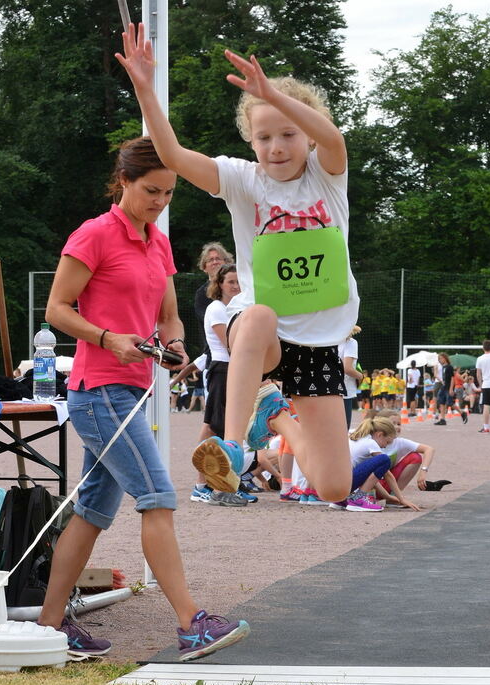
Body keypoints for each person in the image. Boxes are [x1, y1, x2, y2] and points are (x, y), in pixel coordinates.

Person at [117, 24, 357, 504]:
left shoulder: (327, 175)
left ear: (308, 135)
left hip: (319, 337)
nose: (276, 147)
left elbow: (332, 137)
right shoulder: (242, 180)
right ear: (250, 141)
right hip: (263, 334)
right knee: (260, 313)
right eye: (263, 137)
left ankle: (276, 413)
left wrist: (272, 95)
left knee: (334, 487)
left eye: (288, 134)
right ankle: (231, 445)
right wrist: (145, 90)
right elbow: (172, 155)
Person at [37, 136, 250, 661]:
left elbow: (169, 315)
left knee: (91, 512)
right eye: (152, 190)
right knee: (157, 495)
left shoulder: (159, 243)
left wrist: (175, 345)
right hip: (99, 391)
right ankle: (191, 624)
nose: (160, 201)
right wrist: (108, 338)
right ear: (123, 182)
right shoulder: (94, 234)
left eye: (169, 193)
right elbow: (56, 310)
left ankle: (49, 626)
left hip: (130, 392)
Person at [191, 264, 257, 506]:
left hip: (233, 369)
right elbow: (231, 344)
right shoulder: (217, 309)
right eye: (231, 281)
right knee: (216, 427)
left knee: (222, 427)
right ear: (219, 284)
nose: (236, 286)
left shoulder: (236, 308)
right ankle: (203, 485)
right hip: (223, 369)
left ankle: (225, 483)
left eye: (239, 282)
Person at [331, 417, 421, 512]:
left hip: (333, 485)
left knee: (371, 465)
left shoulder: (355, 434)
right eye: (387, 442)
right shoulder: (371, 443)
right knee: (384, 459)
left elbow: (372, 479)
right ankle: (358, 499)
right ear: (379, 434)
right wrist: (401, 499)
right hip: (344, 484)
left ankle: (341, 500)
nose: (385, 446)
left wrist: (388, 497)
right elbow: (387, 475)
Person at [339, 325, 363, 429]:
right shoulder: (350, 342)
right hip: (344, 389)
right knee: (343, 428)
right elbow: (347, 368)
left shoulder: (329, 341)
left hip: (327, 389)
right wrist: (360, 376)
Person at [434, 353, 454, 426]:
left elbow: (452, 378)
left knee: (450, 403)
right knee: (441, 401)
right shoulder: (443, 367)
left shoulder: (449, 367)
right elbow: (442, 377)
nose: (440, 360)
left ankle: (462, 413)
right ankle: (442, 419)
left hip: (448, 387)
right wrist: (442, 381)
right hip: (443, 386)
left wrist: (451, 389)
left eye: (441, 358)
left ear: (445, 358)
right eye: (439, 359)